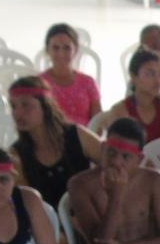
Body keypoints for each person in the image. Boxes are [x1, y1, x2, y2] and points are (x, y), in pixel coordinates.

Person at [8, 76, 103, 212]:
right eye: (13, 106)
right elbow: (29, 205)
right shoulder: (16, 155)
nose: (18, 113)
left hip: (89, 215)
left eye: (26, 105)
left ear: (45, 106)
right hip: (49, 221)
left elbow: (112, 163)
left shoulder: (76, 135)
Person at [103, 50, 160, 144]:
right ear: (133, 76)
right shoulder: (120, 111)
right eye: (150, 74)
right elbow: (115, 150)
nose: (158, 80)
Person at [38, 23, 102, 129]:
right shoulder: (39, 83)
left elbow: (98, 122)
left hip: (84, 138)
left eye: (67, 48)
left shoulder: (88, 82)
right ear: (47, 50)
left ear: (75, 49)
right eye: (55, 48)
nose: (61, 53)